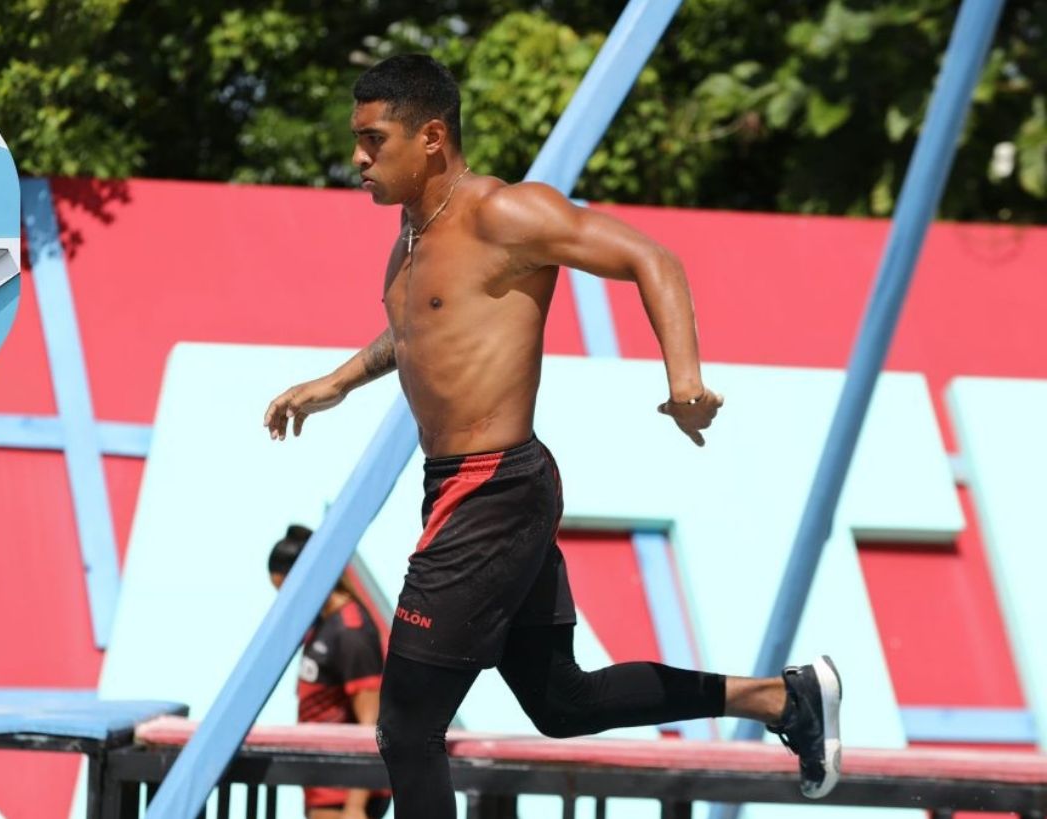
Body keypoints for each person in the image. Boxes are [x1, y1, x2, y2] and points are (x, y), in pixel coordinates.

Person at [262, 55, 841, 818]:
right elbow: (419, 332)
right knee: (562, 700)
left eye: (374, 140)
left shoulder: (503, 214)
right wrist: (336, 382)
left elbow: (651, 257)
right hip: (464, 485)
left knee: (406, 726)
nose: (358, 158)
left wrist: (685, 380)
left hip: (493, 487)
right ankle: (781, 697)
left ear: (431, 137)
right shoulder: (409, 238)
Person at [269, 525, 390, 819]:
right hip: (324, 787)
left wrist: (355, 806)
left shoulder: (350, 631)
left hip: (345, 792)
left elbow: (371, 722)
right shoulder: (323, 625)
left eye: (286, 592)